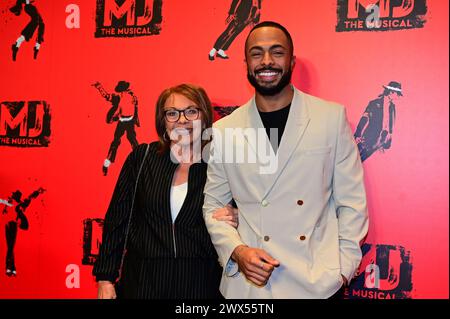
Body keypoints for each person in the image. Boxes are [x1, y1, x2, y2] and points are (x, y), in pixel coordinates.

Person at [203, 21, 369, 298]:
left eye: (276, 52)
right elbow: (213, 206)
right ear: (246, 62)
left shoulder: (330, 118)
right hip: (249, 286)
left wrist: (343, 269)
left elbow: (352, 201)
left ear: (291, 60)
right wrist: (238, 251)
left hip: (315, 282)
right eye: (257, 53)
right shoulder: (224, 130)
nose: (266, 61)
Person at [93, 84, 238, 299]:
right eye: (172, 113)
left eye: (191, 111)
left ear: (205, 116)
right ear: (163, 121)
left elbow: (256, 214)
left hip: (201, 285)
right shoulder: (142, 158)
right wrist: (105, 278)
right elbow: (117, 220)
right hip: (143, 284)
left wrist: (238, 216)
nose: (182, 120)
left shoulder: (222, 163)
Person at [92, 81, 140, 176]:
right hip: (122, 122)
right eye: (122, 91)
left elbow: (135, 109)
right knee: (115, 143)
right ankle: (107, 163)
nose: (123, 93)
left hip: (129, 122)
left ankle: (140, 160)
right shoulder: (118, 98)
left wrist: (135, 119)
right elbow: (106, 96)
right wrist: (99, 87)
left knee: (132, 141)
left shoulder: (132, 96)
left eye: (124, 91)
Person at [354, 81, 403, 162]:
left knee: (365, 159)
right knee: (357, 159)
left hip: (381, 140)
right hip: (369, 137)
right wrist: (357, 134)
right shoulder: (374, 103)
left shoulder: (392, 106)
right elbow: (365, 118)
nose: (398, 96)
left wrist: (389, 137)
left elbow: (391, 121)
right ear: (391, 92)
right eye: (397, 94)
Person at [2, 187, 45, 276]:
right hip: (9, 225)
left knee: (10, 247)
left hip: (12, 225)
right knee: (10, 247)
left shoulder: (18, 204)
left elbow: (30, 198)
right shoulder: (10, 202)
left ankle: (9, 269)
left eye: (14, 195)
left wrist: (37, 192)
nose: (12, 196)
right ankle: (12, 268)